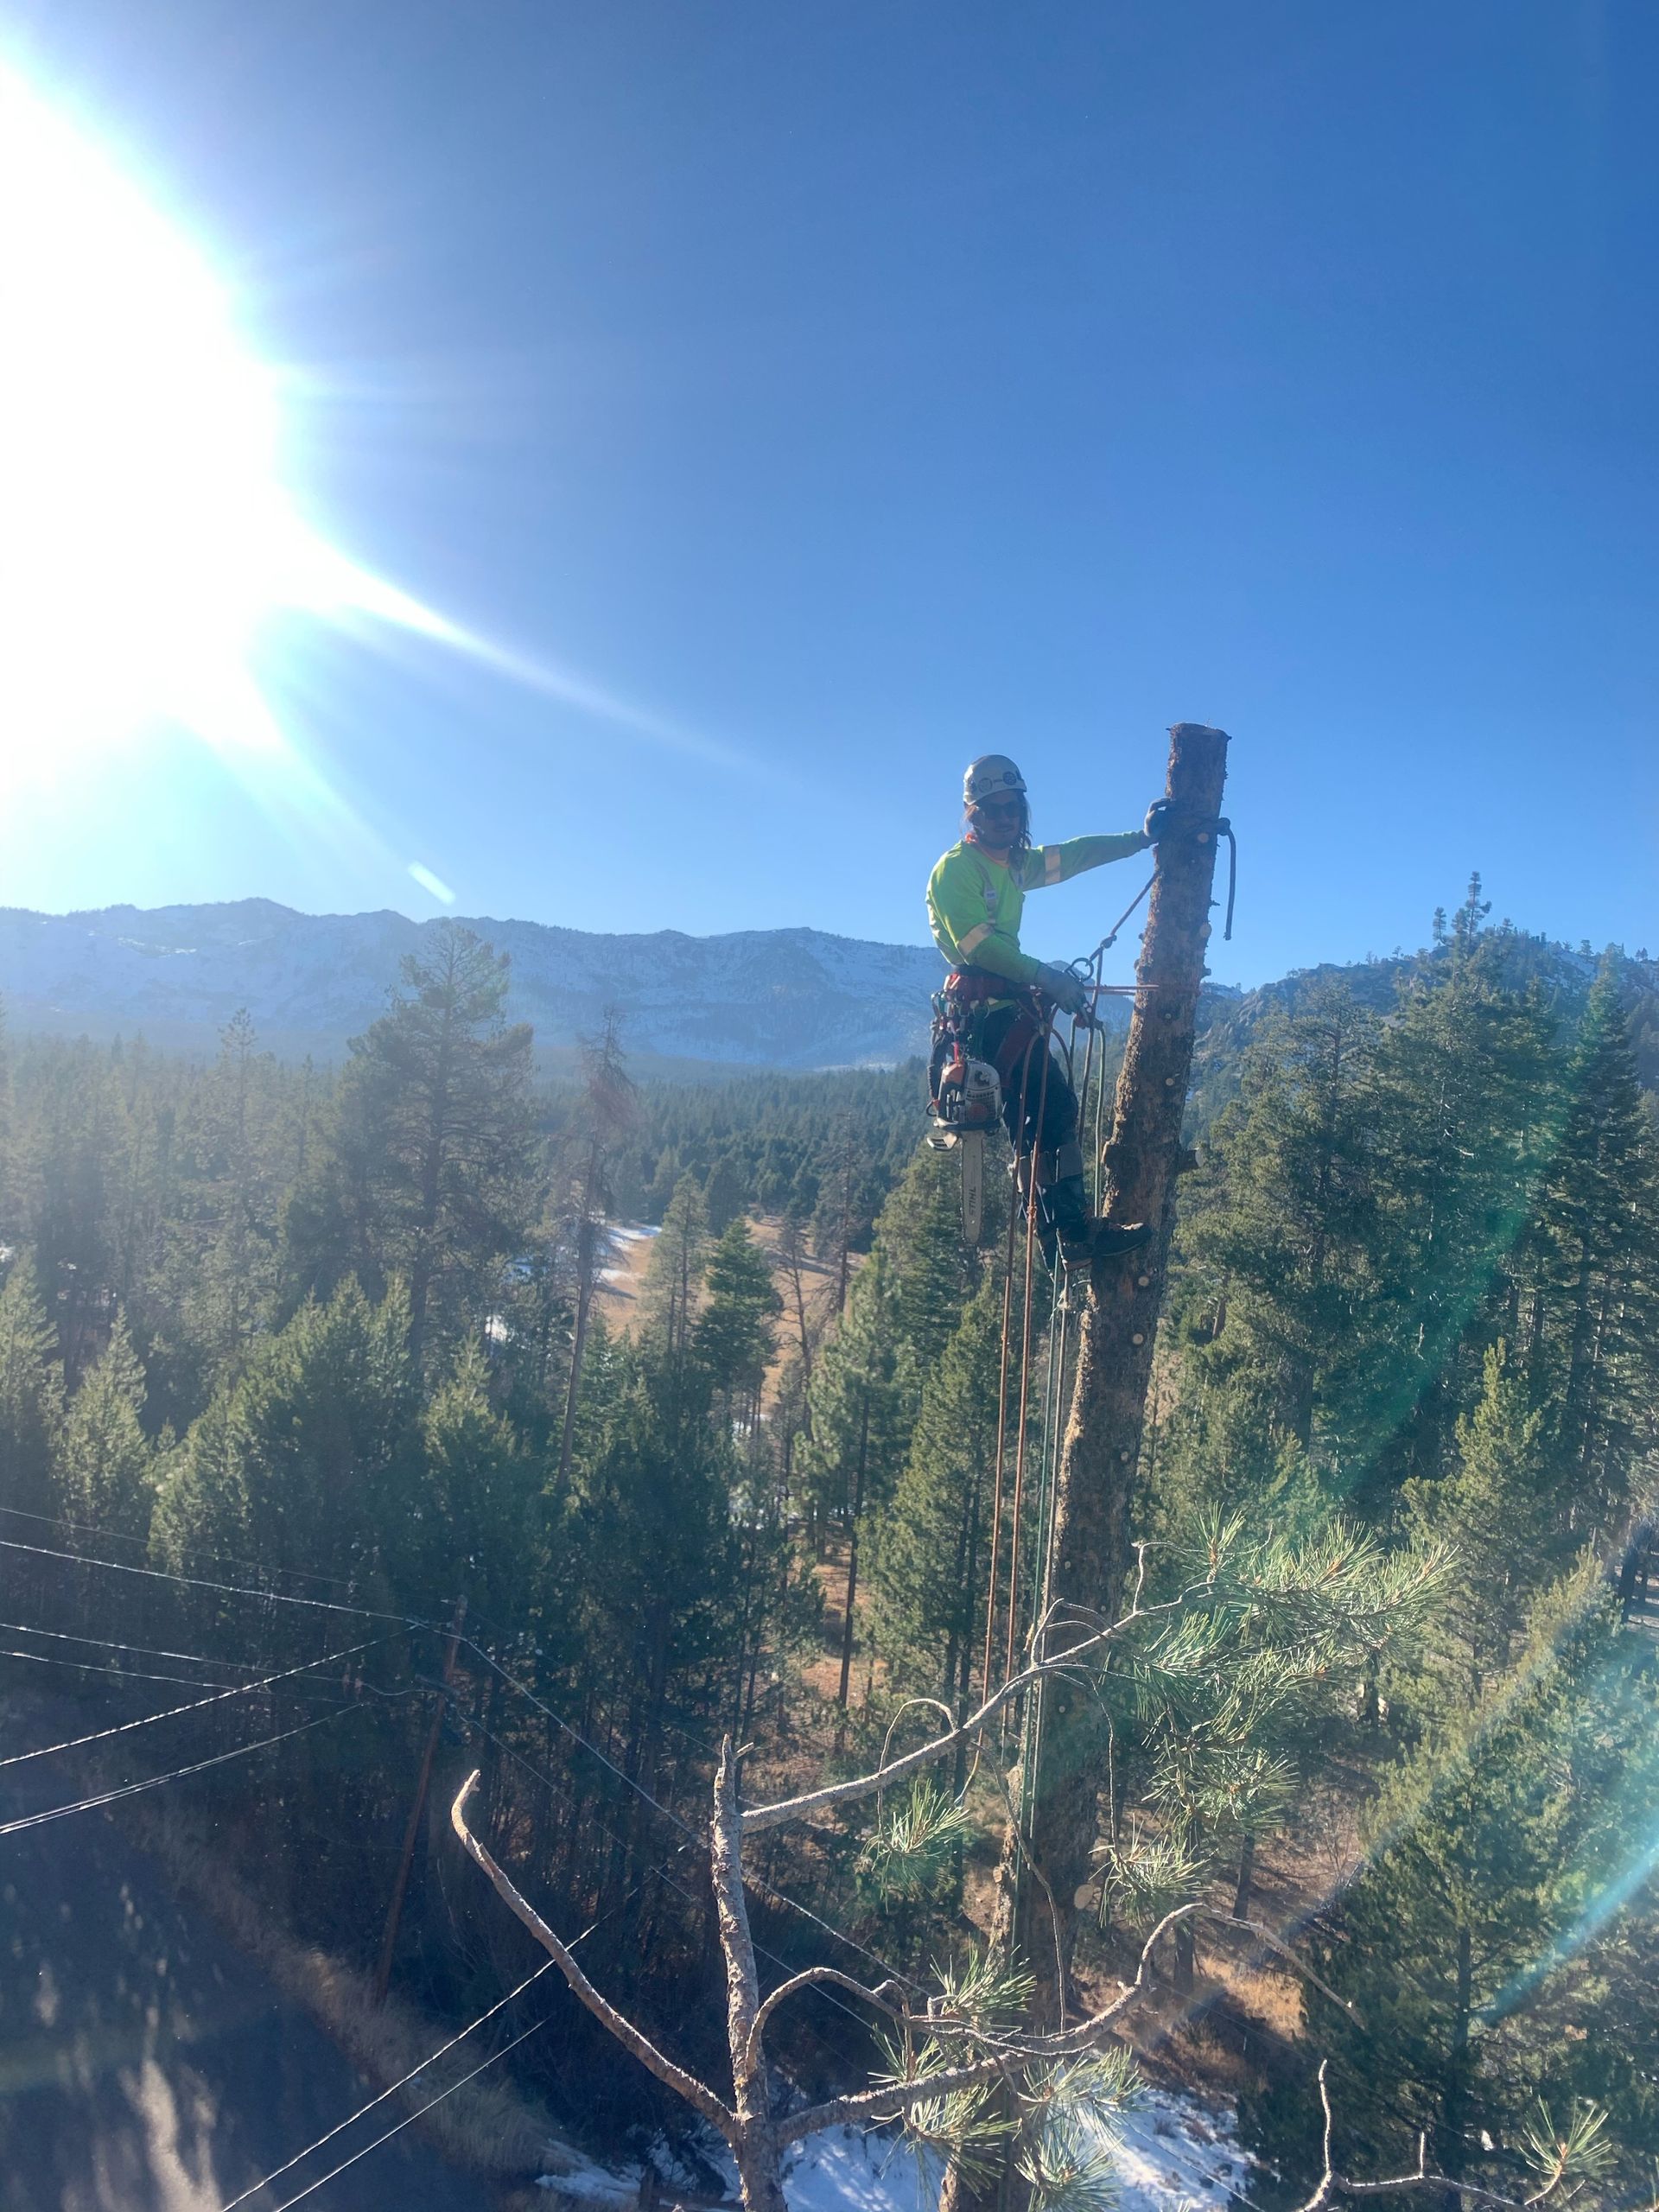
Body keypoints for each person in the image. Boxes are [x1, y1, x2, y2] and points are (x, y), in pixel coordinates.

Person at [926, 753, 1180, 1268]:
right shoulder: (958, 870)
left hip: (1006, 1011)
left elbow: (1076, 855)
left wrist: (1142, 838)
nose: (1003, 818)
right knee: (1054, 1111)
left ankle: (1060, 1239)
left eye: (1011, 809)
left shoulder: (1014, 867)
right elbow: (981, 948)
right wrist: (1045, 976)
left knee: (1038, 1121)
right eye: (991, 810)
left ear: (1021, 812)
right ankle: (1072, 1235)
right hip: (988, 1017)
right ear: (973, 815)